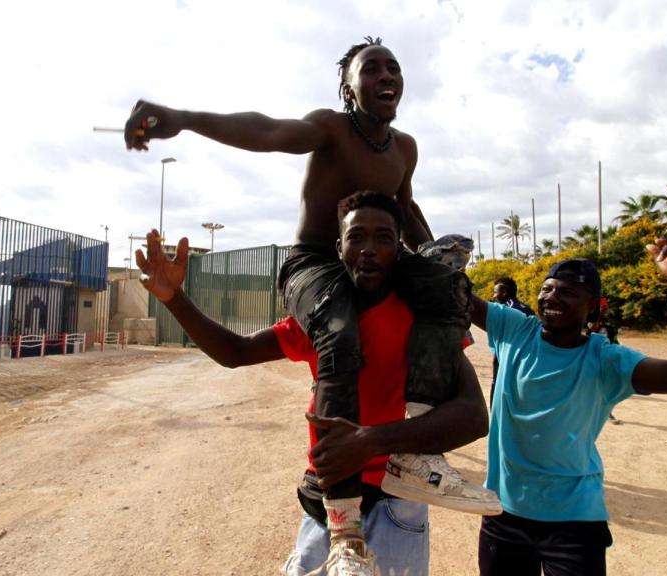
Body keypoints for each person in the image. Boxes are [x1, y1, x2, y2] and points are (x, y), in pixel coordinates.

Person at [122, 35, 497, 564]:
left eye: (394, 67)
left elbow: (406, 210)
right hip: (317, 265)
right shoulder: (331, 127)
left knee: (447, 289)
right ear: (348, 86)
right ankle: (342, 525)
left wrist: (434, 270)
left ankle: (412, 456)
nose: (387, 75)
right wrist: (183, 117)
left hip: (368, 264)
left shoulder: (405, 148)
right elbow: (268, 130)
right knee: (339, 331)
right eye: (372, 69)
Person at [136, 192, 491, 575]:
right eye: (357, 237)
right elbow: (235, 352)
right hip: (328, 501)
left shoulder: (421, 319)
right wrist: (174, 299)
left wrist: (371, 440)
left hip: (397, 499)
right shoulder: (322, 319)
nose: (369, 249)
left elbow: (472, 415)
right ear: (339, 248)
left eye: (384, 238)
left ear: (399, 251)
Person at [469, 217, 667, 575]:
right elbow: (452, 291)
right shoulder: (514, 329)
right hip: (503, 515)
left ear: (594, 307)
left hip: (574, 524)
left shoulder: (606, 360)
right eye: (548, 288)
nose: (552, 297)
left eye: (567, 292)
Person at [488, 277, 534, 405]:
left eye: (496, 292)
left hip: (508, 360)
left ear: (504, 292)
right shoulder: (527, 308)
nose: (494, 296)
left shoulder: (508, 310)